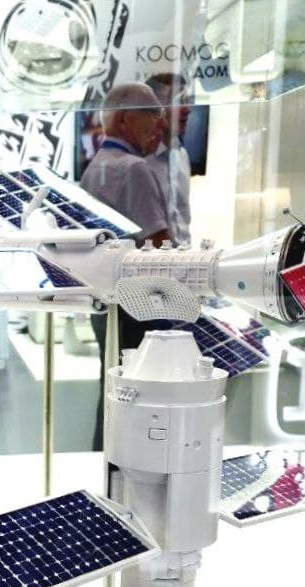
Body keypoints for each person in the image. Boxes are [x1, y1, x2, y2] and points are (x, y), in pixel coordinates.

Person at [80, 83, 171, 448]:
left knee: (114, 393)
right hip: (139, 308)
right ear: (123, 119)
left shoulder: (95, 169)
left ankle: (106, 461)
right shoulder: (134, 169)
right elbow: (160, 247)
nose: (161, 126)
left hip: (107, 303)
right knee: (138, 399)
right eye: (152, 115)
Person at [145, 73, 193, 248]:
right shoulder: (139, 162)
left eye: (187, 101)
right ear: (157, 108)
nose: (187, 110)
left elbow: (183, 218)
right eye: (178, 102)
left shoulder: (182, 155)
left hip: (183, 258)